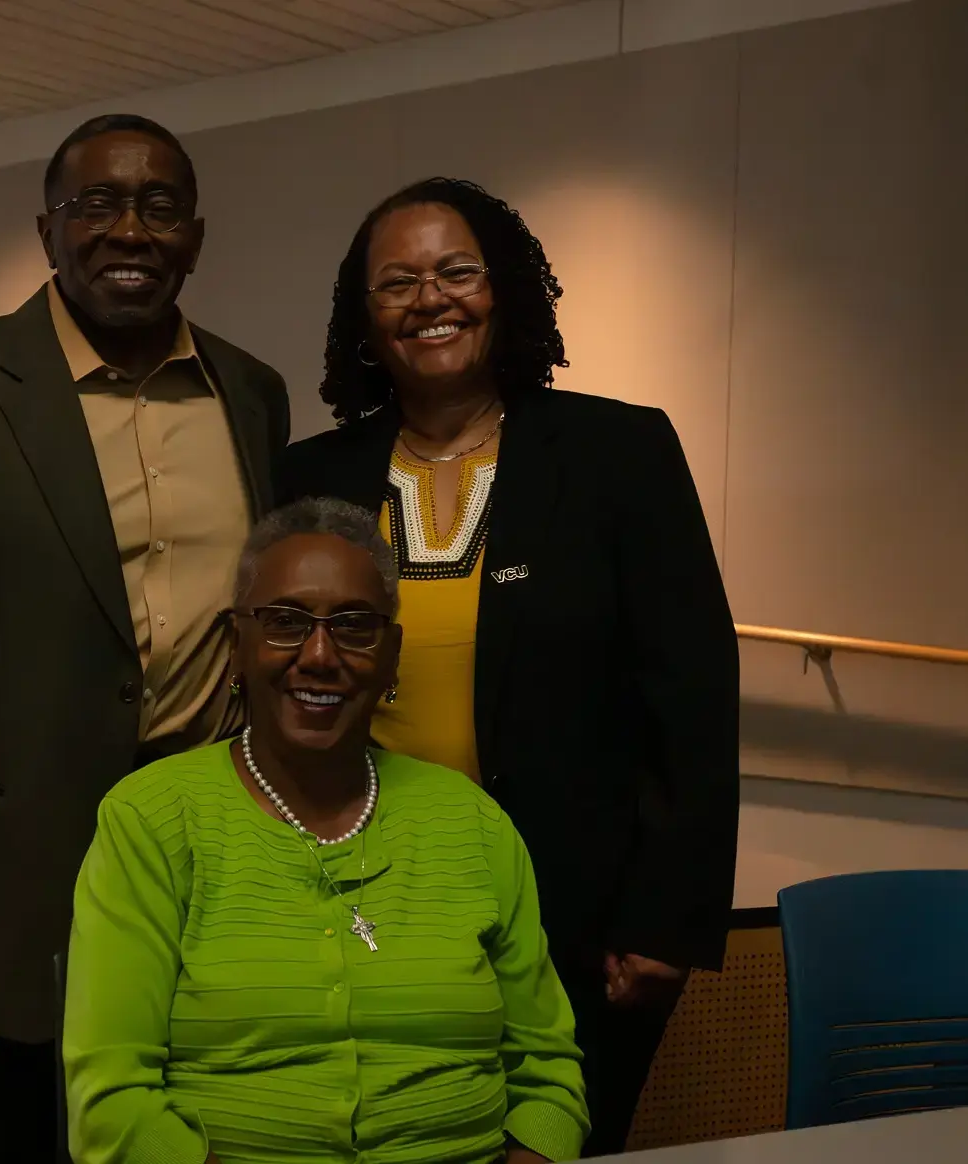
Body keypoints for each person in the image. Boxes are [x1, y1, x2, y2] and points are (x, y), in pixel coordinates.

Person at [0, 113, 289, 1163]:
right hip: (0, 909)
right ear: (46, 232)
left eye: (158, 206)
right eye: (96, 205)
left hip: (205, 886)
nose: (129, 229)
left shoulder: (250, 395)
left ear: (196, 238)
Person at [277, 178, 739, 1156]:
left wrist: (668, 920)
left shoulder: (619, 452)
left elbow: (691, 699)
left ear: (506, 290)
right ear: (363, 318)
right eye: (395, 282)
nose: (429, 299)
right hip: (362, 912)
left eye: (456, 271)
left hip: (576, 923)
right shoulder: (311, 476)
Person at [63, 498, 590, 1164]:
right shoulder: (151, 820)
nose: (318, 655)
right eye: (284, 623)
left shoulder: (472, 823)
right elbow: (113, 1101)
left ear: (391, 654)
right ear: (236, 646)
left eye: (354, 626)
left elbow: (547, 1074)